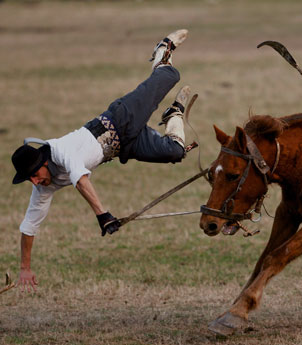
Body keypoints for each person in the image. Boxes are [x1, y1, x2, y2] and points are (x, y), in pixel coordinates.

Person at [11, 29, 192, 292]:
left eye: (35, 174)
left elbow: (81, 180)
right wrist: (25, 268)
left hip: (121, 118)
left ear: (43, 161)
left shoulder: (60, 151)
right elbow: (29, 227)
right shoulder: (43, 185)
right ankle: (174, 114)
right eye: (29, 179)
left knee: (170, 75)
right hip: (122, 147)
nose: (35, 181)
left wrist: (102, 214)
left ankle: (161, 54)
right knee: (176, 151)